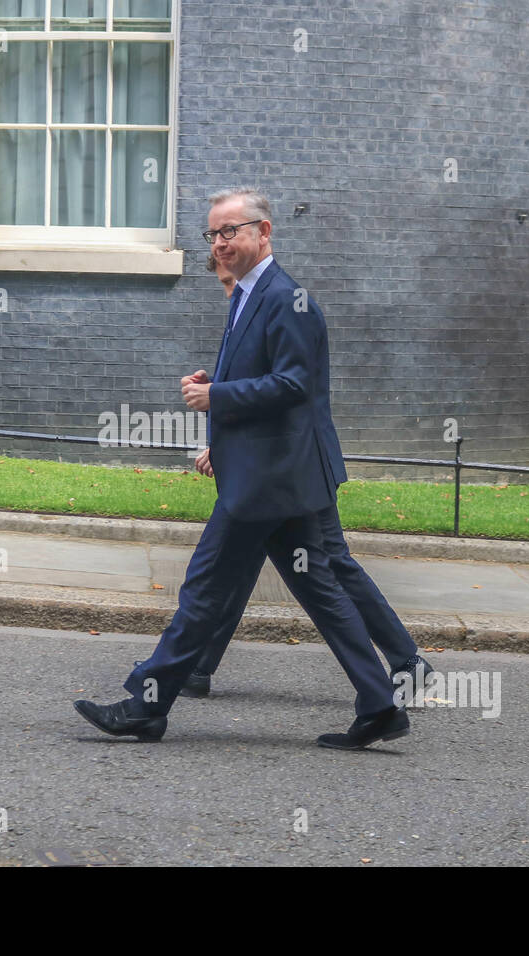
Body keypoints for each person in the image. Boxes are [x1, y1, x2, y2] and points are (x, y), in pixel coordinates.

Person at [73, 188, 412, 750]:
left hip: (267, 480)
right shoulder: (251, 294)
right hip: (273, 475)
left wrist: (219, 398)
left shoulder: (287, 298)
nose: (221, 243)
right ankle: (379, 704)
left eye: (231, 231)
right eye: (213, 234)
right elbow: (267, 372)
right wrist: (217, 384)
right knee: (320, 588)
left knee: (205, 589)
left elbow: (296, 384)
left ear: (264, 231)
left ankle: (146, 705)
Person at [181, 257, 433, 700]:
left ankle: (403, 665)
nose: (228, 291)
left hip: (294, 468)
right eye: (222, 285)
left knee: (327, 564)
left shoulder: (285, 303)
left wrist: (220, 418)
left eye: (229, 283)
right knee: (240, 565)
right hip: (268, 469)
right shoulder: (248, 304)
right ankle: (199, 664)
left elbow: (288, 391)